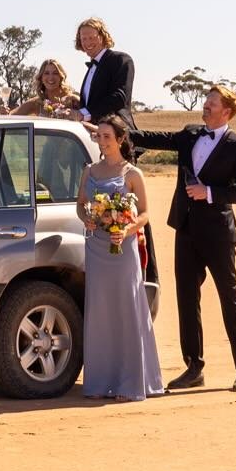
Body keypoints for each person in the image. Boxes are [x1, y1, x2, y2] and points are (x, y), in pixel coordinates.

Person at [129, 84, 236, 392]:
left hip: (218, 234)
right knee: (187, 300)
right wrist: (118, 131)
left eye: (212, 103)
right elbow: (156, 139)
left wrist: (209, 193)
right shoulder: (190, 134)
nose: (206, 107)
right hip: (186, 229)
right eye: (206, 102)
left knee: (229, 297)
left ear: (226, 111)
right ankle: (193, 367)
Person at [76, 116, 164, 401]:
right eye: (98, 137)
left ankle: (131, 382)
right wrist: (87, 218)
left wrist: (126, 228)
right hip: (96, 247)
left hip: (123, 249)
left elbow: (146, 214)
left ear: (120, 139)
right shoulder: (89, 171)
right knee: (100, 312)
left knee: (126, 310)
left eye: (106, 137)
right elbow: (81, 205)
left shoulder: (132, 173)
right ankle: (101, 382)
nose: (102, 142)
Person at [74, 17, 135, 127]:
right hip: (93, 134)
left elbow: (119, 97)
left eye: (92, 37)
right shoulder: (92, 67)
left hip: (117, 134)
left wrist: (84, 114)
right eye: (84, 39)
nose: (87, 42)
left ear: (102, 37)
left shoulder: (121, 59)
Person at [10, 57, 81, 116]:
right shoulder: (36, 102)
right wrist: (5, 112)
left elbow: (89, 117)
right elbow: (11, 117)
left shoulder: (72, 100)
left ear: (61, 77)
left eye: (55, 73)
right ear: (41, 77)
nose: (51, 77)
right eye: (46, 73)